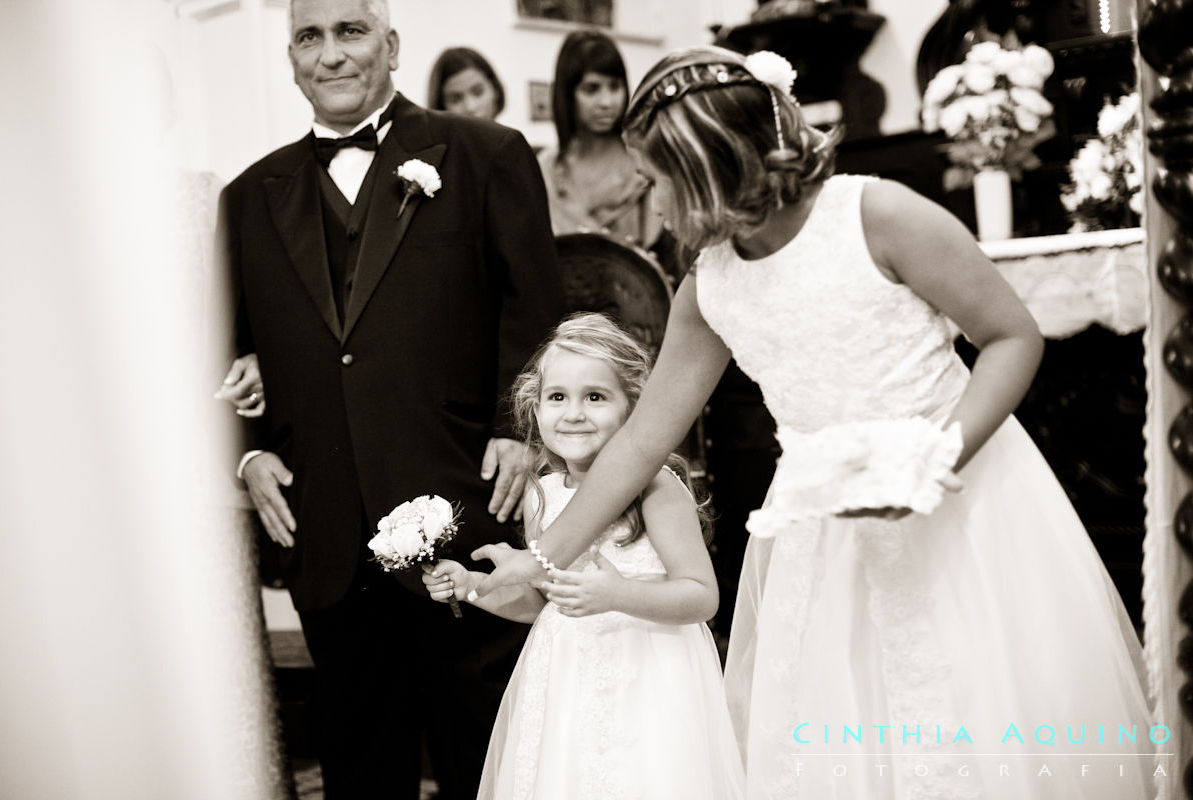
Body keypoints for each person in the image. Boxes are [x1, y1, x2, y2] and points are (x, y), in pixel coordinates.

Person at [474, 47, 1156, 798]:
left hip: (964, 504)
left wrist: (937, 457)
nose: (650, 199)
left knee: (980, 719)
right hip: (825, 539)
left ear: (709, 167)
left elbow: (1012, 336)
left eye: (658, 179)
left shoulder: (880, 215)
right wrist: (540, 561)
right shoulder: (710, 286)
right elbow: (641, 440)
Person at [216, 0, 564, 797]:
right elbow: (220, 357)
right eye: (310, 36)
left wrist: (519, 430)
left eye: (351, 31)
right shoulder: (247, 199)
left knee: (488, 759)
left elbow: (541, 318)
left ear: (392, 45)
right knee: (359, 768)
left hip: (465, 516)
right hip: (326, 529)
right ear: (291, 58)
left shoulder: (487, 157)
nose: (331, 54)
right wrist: (250, 453)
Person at [422, 313, 745, 799]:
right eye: (557, 397)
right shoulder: (542, 494)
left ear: (635, 408)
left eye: (595, 397)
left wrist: (619, 594)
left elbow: (702, 598)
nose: (573, 413)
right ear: (535, 408)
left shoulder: (655, 487)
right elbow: (542, 604)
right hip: (567, 678)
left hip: (649, 674)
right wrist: (472, 586)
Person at [537, 30, 664, 250]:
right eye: (591, 89)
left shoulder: (647, 161)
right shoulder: (548, 168)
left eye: (615, 87)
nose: (606, 102)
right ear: (567, 94)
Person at [426, 46, 505, 120]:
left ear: (495, 89)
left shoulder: (514, 134)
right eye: (455, 100)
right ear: (441, 108)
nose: (471, 107)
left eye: (478, 92)